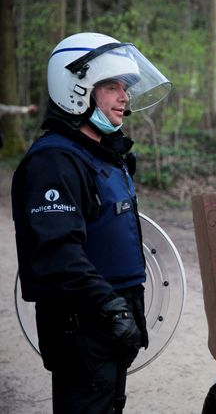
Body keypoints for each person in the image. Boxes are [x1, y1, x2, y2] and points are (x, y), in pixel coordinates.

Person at [11, 32, 171, 413]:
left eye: (126, 88)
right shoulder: (54, 162)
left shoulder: (101, 156)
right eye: (112, 86)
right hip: (82, 325)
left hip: (111, 321)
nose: (124, 98)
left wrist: (126, 310)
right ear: (78, 89)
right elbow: (56, 254)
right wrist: (110, 308)